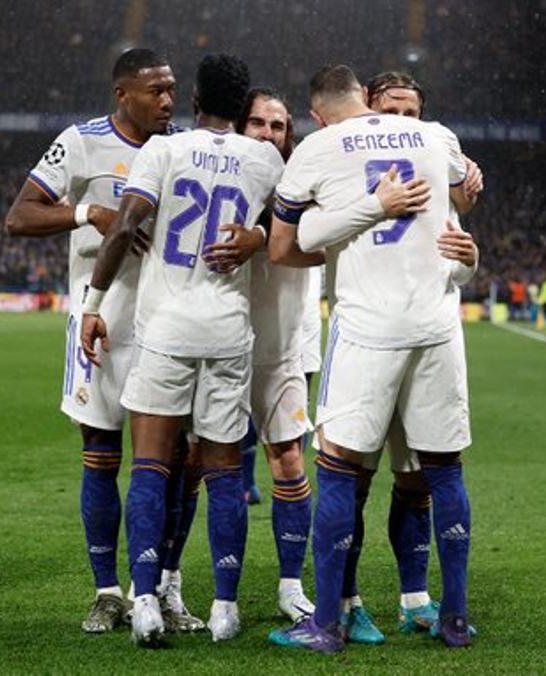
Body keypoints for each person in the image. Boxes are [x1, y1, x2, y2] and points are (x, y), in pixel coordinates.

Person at [265, 64, 476, 652]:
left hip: (367, 328)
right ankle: (452, 618)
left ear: (317, 112)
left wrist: (366, 211)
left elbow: (290, 245)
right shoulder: (436, 136)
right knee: (444, 469)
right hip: (438, 326)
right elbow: (464, 191)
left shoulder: (317, 147)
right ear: (368, 99)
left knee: (337, 468)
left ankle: (327, 623)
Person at [80, 53, 283, 647]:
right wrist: (261, 235)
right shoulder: (264, 157)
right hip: (227, 332)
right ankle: (224, 608)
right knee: (223, 472)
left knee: (149, 464)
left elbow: (124, 227)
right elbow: (299, 223)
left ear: (193, 102)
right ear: (246, 109)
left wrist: (93, 306)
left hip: (167, 330)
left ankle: (143, 601)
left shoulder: (163, 151)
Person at [4, 48, 202, 634]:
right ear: (123, 94)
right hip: (101, 325)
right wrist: (89, 211)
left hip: (169, 326)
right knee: (101, 456)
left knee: (175, 460)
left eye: (172, 89)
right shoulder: (82, 141)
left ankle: (166, 585)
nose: (167, 101)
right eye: (154, 91)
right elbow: (19, 216)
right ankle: (108, 591)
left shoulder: (185, 146)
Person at [227, 86, 318, 622]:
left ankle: (289, 586)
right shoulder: (220, 179)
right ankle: (175, 584)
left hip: (281, 353)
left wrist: (258, 236)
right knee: (196, 466)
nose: (267, 133)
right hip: (221, 350)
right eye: (257, 124)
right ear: (240, 128)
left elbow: (304, 234)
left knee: (288, 463)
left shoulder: (302, 184)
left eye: (277, 126)